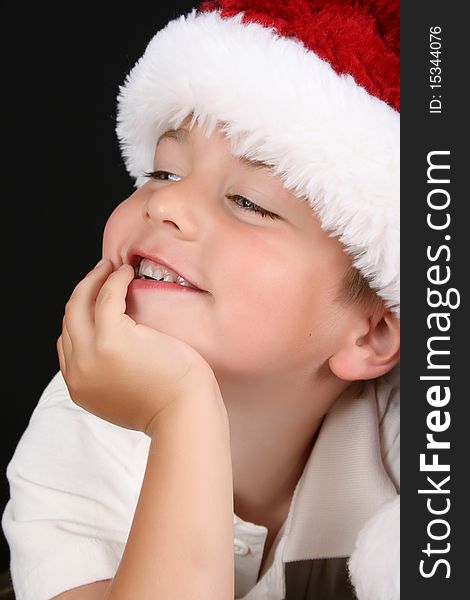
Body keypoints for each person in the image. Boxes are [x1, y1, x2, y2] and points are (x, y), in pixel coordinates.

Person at [2, 1, 400, 598]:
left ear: (371, 334)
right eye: (163, 172)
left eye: (249, 202)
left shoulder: (412, 427)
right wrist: (179, 412)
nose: (164, 204)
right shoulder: (80, 428)